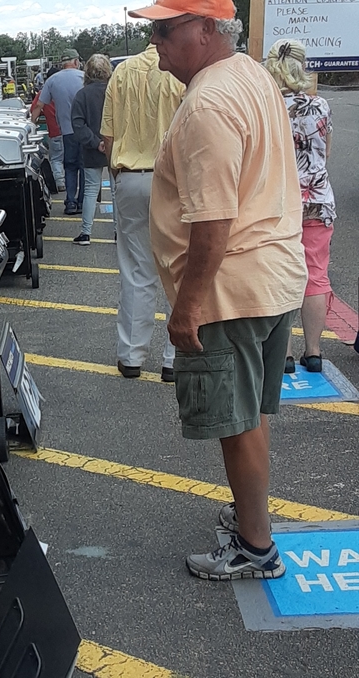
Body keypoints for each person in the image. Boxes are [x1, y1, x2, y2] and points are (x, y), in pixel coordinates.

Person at [129, 0, 307, 580]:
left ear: (207, 29)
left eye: (164, 29)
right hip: (272, 276)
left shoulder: (208, 100)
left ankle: (256, 547)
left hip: (232, 290)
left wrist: (188, 307)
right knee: (250, 413)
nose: (154, 43)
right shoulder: (251, 74)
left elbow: (212, 221)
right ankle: (251, 521)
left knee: (236, 421)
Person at [100, 44, 184, 381]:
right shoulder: (180, 73)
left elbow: (107, 138)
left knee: (136, 269)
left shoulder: (122, 72)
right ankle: (174, 358)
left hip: (131, 177)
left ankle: (131, 355)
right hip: (171, 178)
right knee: (176, 267)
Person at [264, 39, 336, 374]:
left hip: (280, 202)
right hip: (318, 200)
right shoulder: (320, 106)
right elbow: (325, 154)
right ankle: (315, 351)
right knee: (316, 276)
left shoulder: (268, 105)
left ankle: (285, 354)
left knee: (282, 275)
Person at [31, 49, 85, 215]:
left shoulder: (52, 80)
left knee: (69, 166)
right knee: (84, 168)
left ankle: (70, 201)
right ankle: (83, 202)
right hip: (85, 130)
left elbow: (39, 106)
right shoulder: (84, 78)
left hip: (65, 131)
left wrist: (31, 128)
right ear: (76, 62)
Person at [70, 54, 111, 245]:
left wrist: (95, 142)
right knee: (117, 193)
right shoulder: (115, 91)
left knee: (90, 191)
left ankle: (86, 233)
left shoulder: (82, 95)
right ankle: (119, 232)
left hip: (92, 149)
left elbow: (78, 125)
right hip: (115, 147)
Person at [30, 66, 64, 192]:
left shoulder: (44, 92)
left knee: (56, 158)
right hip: (69, 130)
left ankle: (60, 182)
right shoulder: (65, 90)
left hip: (54, 131)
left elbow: (34, 110)